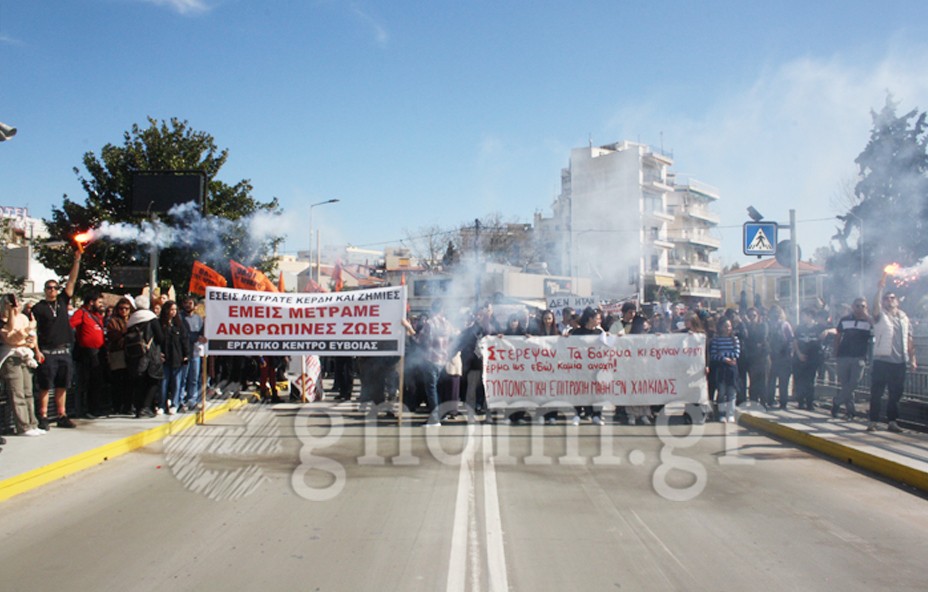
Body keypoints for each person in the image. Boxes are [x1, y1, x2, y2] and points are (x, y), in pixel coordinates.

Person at [33, 249, 82, 430]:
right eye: (49, 287)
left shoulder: (62, 301)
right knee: (45, 386)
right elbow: (33, 331)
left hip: (64, 351)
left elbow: (71, 281)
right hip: (48, 352)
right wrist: (37, 351)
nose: (52, 290)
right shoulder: (38, 308)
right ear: (45, 290)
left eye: (54, 287)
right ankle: (43, 416)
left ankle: (62, 415)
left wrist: (76, 261)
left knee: (63, 385)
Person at [868, 276, 915, 432]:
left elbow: (909, 338)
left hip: (899, 362)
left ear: (897, 301)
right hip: (882, 360)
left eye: (892, 298)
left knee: (896, 393)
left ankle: (892, 421)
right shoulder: (881, 316)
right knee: (877, 392)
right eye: (887, 299)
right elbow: (874, 308)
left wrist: (912, 358)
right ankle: (873, 421)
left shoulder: (904, 318)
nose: (889, 300)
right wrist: (879, 289)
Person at [0, 294, 44, 436]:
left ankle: (32, 423)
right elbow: (11, 339)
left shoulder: (24, 318)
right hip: (11, 357)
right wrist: (24, 333)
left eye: (17, 302)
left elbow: (32, 337)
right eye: (13, 303)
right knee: (17, 393)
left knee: (28, 392)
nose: (16, 305)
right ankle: (23, 426)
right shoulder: (3, 319)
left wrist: (33, 347)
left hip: (25, 355)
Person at [416, 299, 457, 427]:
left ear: (432, 309)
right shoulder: (448, 324)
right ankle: (437, 415)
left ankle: (435, 419)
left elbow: (419, 340)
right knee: (435, 388)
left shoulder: (430, 323)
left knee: (431, 389)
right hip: (442, 360)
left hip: (431, 359)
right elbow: (454, 339)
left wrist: (408, 330)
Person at [70, 289, 109, 418]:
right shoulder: (81, 313)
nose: (101, 304)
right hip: (87, 353)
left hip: (99, 353)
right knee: (88, 382)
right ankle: (87, 409)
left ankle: (96, 407)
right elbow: (70, 325)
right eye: (99, 302)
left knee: (97, 382)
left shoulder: (97, 315)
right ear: (91, 302)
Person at [832, 297, 871, 420]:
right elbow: (838, 336)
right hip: (844, 356)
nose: (860, 308)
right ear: (853, 307)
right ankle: (850, 412)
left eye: (862, 306)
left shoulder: (868, 322)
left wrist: (867, 317)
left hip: (859, 356)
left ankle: (837, 402)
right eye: (857, 306)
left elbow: (876, 331)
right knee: (845, 384)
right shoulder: (845, 320)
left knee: (854, 383)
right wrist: (835, 352)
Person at [126, 295, 164, 417]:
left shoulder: (131, 320)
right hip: (150, 355)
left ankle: (138, 408)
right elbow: (160, 337)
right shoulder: (152, 319)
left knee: (139, 383)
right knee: (153, 381)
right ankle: (146, 407)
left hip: (135, 356)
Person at [569, 307, 604, 426]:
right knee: (580, 390)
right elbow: (569, 347)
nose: (599, 321)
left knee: (597, 392)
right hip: (581, 368)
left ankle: (596, 415)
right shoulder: (577, 332)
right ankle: (577, 414)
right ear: (590, 318)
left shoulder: (600, 333)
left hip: (596, 368)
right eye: (597, 318)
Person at [792, 308, 828, 410]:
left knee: (810, 381)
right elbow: (795, 341)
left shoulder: (819, 327)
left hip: (813, 358)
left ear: (810, 316)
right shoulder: (800, 328)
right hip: (800, 357)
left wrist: (827, 331)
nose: (802, 317)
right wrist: (798, 354)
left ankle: (809, 403)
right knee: (800, 381)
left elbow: (836, 329)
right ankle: (800, 402)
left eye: (804, 315)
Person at [160, 300, 190, 414]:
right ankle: (162, 405)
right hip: (164, 359)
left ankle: (175, 404)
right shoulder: (161, 324)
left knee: (177, 383)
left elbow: (184, 340)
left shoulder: (179, 324)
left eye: (175, 310)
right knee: (164, 383)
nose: (173, 312)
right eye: (171, 309)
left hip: (177, 358)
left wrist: (186, 354)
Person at [105, 297, 134, 414]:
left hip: (131, 353)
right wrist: (125, 333)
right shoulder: (113, 321)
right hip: (118, 353)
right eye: (121, 308)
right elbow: (113, 335)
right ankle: (116, 406)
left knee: (129, 381)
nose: (124, 311)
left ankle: (127, 406)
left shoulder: (132, 320)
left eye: (126, 308)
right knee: (117, 381)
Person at [709, 317, 741, 423]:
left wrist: (724, 355)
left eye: (729, 326)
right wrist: (724, 359)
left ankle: (730, 413)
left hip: (731, 369)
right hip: (720, 368)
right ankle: (721, 414)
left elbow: (736, 353)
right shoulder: (716, 340)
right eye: (725, 326)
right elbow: (713, 355)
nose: (728, 328)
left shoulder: (734, 339)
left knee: (731, 391)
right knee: (721, 392)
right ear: (721, 327)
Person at [179, 296, 206, 410]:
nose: (187, 305)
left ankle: (192, 400)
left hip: (195, 353)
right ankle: (180, 400)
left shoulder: (199, 319)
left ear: (195, 306)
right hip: (184, 352)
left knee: (194, 378)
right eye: (185, 303)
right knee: (183, 378)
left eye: (190, 303)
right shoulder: (179, 318)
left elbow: (202, 333)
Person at [765, 305, 794, 410]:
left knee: (772, 381)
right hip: (781, 356)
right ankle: (782, 402)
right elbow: (791, 339)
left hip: (774, 356)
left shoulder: (768, 324)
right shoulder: (785, 325)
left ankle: (772, 400)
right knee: (782, 382)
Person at [741, 307, 769, 406]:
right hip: (752, 358)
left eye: (754, 315)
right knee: (753, 381)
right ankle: (753, 401)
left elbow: (761, 338)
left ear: (758, 316)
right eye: (750, 316)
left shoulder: (763, 325)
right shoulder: (747, 327)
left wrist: (755, 342)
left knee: (763, 381)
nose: (752, 318)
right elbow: (746, 339)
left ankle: (763, 402)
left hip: (762, 357)